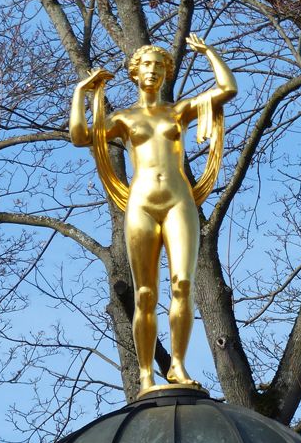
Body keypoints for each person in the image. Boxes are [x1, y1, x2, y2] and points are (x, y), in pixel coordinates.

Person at [69, 34, 237, 396]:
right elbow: (81, 136)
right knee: (145, 293)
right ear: (135, 72)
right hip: (141, 204)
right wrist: (83, 91)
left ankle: (176, 365)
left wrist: (209, 52)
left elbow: (227, 89)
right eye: (147, 65)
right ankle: (146, 375)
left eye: (160, 66)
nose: (153, 71)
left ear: (166, 73)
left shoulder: (179, 110)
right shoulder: (123, 118)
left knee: (183, 285)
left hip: (179, 201)